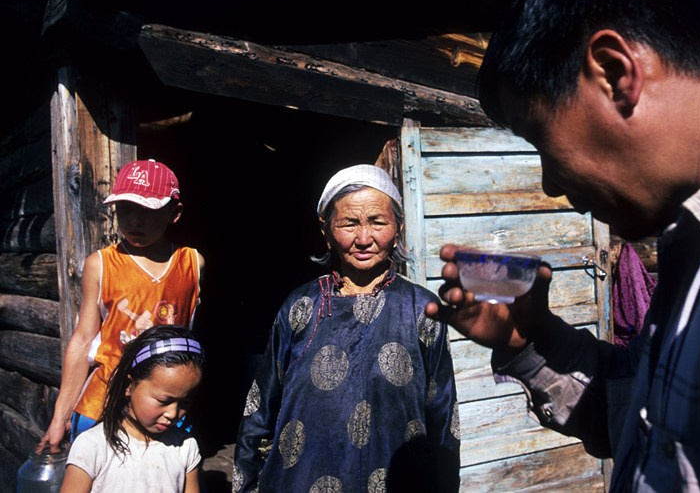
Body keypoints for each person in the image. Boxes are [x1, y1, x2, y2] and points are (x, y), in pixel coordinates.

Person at [425, 0, 700, 490]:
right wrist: (531, 339)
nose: (551, 183)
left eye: (542, 142)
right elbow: (655, 423)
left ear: (613, 72)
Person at [233, 164, 460, 492]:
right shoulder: (300, 307)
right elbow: (259, 409)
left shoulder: (422, 310)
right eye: (349, 223)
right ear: (325, 230)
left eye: (378, 222)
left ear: (397, 226)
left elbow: (443, 420)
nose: (364, 239)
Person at [40, 159, 205, 453]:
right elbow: (82, 341)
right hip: (103, 405)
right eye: (125, 208)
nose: (134, 220)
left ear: (174, 213)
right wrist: (60, 416)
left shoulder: (192, 264)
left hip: (163, 408)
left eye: (147, 209)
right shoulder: (101, 265)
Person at [60, 325, 205, 492]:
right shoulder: (93, 447)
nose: (173, 413)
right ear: (129, 386)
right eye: (163, 400)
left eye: (184, 403)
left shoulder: (185, 447)